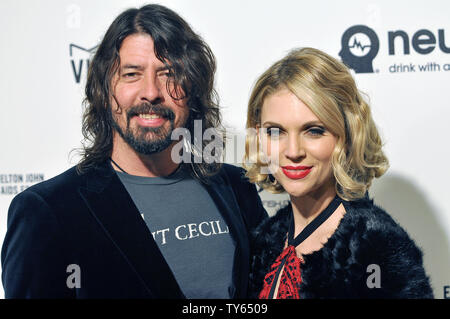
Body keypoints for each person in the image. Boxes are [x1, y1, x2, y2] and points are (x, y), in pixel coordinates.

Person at [1, 4, 266, 298]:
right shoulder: (48, 210)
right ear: (104, 90)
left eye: (169, 73)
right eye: (131, 74)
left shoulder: (236, 187)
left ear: (193, 88)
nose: (151, 91)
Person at [244, 47, 433, 299]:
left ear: (346, 136)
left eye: (313, 130)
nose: (292, 151)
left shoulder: (372, 247)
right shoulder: (265, 240)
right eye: (275, 131)